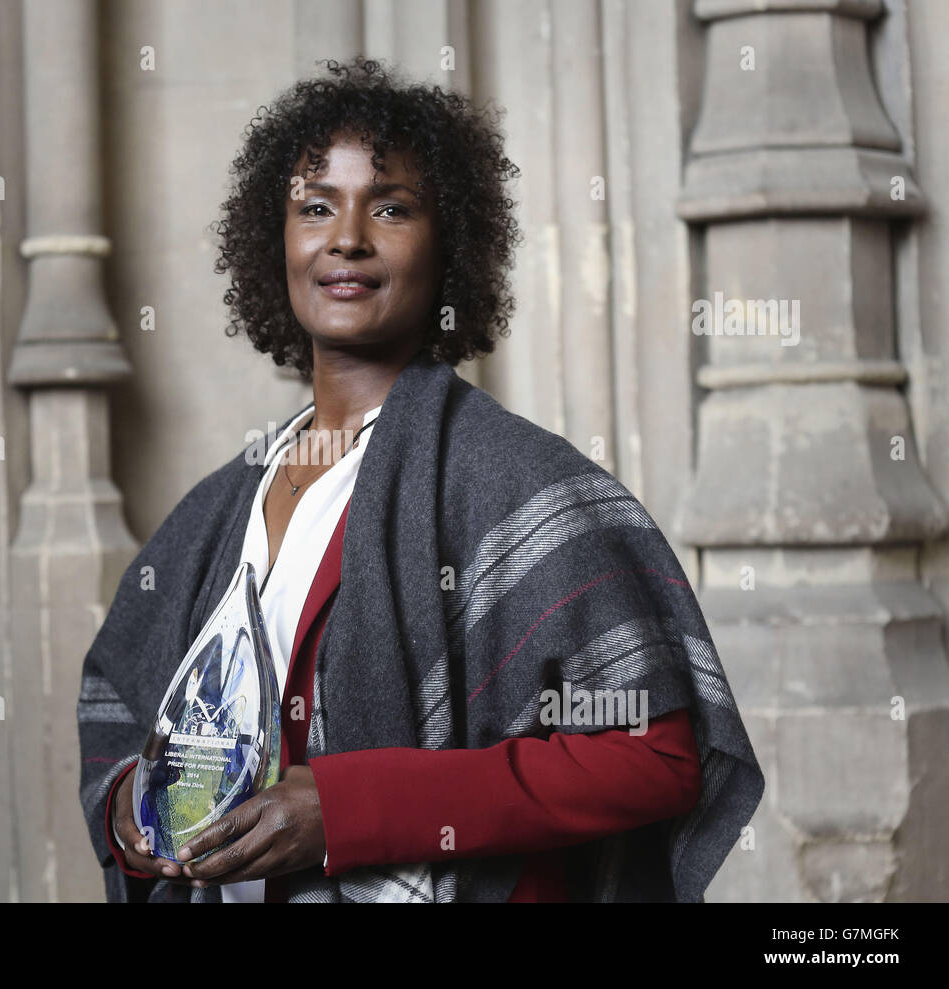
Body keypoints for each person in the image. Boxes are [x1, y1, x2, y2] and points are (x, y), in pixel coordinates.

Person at [77, 56, 764, 903]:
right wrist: (134, 819)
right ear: (276, 242)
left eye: (392, 208)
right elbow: (118, 695)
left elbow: (654, 758)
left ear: (453, 246)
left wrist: (351, 809)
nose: (347, 238)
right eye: (315, 207)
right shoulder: (224, 505)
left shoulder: (511, 479)